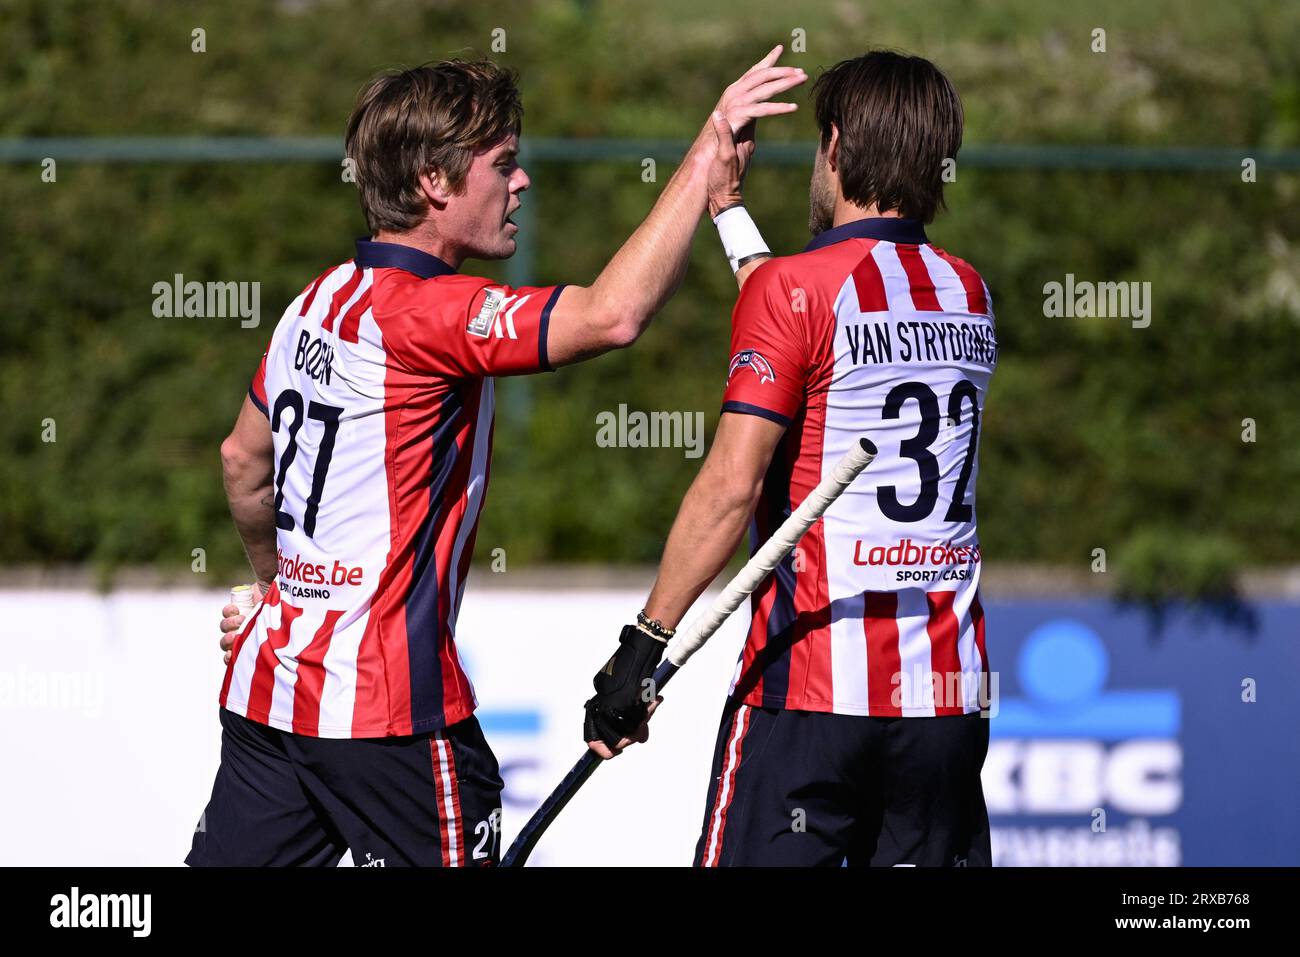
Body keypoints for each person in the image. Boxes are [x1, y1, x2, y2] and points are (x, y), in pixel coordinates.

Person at [193, 50, 806, 867]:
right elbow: (612, 316)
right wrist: (706, 154)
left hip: (269, 695)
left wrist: (278, 589)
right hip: (391, 714)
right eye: (503, 165)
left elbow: (242, 461)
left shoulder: (313, 302)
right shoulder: (433, 312)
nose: (521, 184)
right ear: (433, 183)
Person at [583, 50, 998, 867]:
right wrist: (726, 211)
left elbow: (731, 486)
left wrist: (645, 643)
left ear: (835, 147)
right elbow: (815, 316)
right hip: (945, 699)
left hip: (810, 691)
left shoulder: (800, 291)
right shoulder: (967, 290)